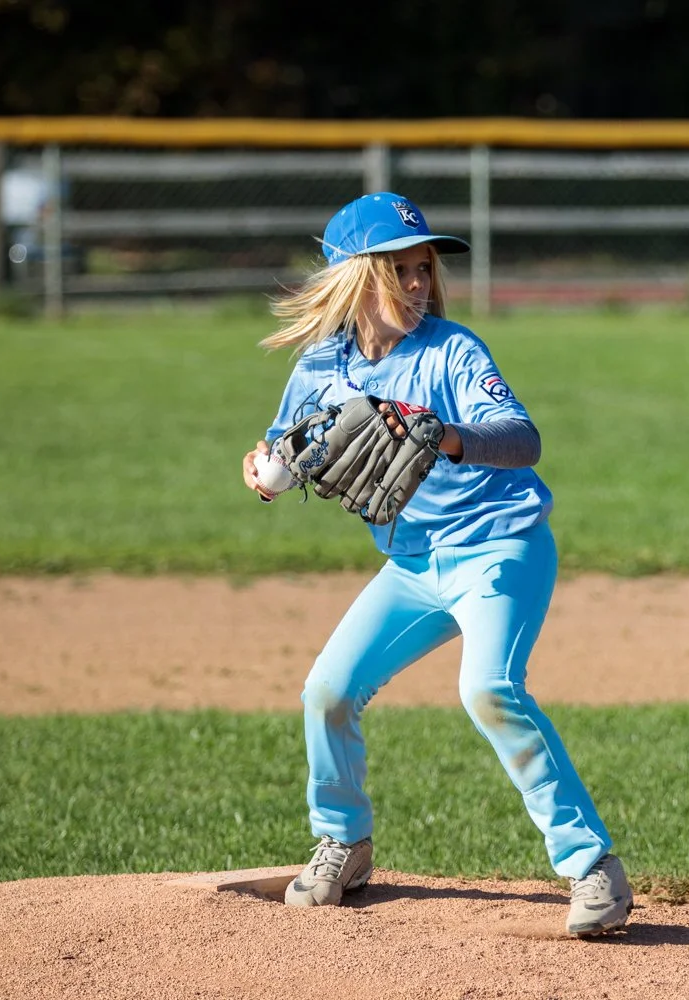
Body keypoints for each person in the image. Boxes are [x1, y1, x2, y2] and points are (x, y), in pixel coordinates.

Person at [240, 192, 632, 938]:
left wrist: (447, 435)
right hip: (414, 565)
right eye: (403, 271)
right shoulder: (320, 367)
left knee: (488, 688)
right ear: (358, 278)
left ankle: (593, 872)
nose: (421, 284)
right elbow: (275, 450)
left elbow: (522, 438)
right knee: (326, 690)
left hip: (501, 545)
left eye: (425, 269)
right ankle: (344, 842)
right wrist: (263, 475)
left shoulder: (453, 351)